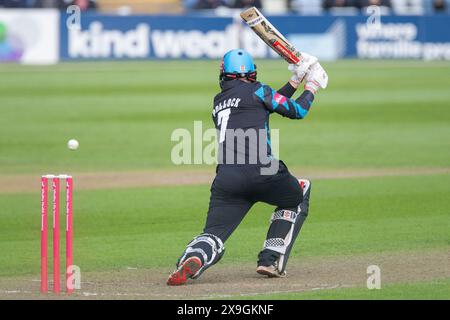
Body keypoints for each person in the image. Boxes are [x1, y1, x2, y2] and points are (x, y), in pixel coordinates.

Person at [167, 49, 328, 285]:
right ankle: (270, 259)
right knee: (299, 191)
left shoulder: (219, 102)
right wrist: (312, 85)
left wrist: (295, 80)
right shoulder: (259, 90)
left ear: (224, 74)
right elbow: (296, 110)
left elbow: (265, 105)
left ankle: (194, 257)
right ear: (252, 73)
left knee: (213, 233)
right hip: (263, 173)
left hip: (227, 180)